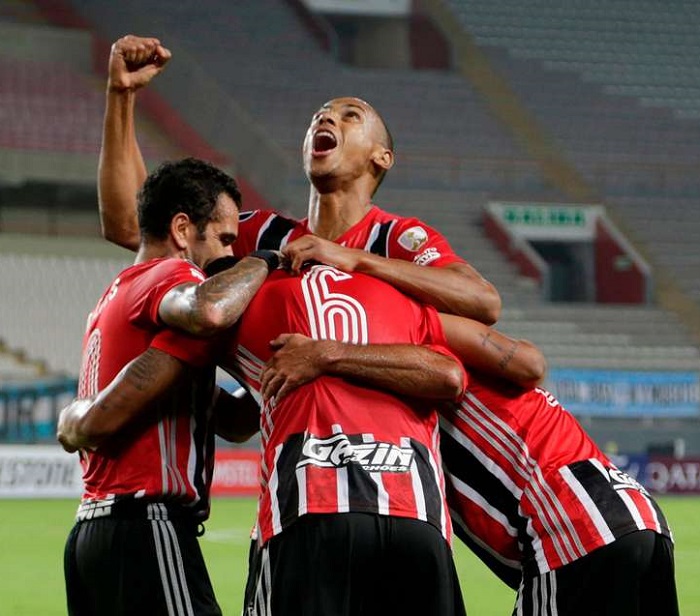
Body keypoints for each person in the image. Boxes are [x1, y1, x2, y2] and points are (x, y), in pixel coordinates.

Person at [96, 35, 502, 325]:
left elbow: (483, 301)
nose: (327, 119)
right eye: (320, 116)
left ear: (382, 157)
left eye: (350, 116)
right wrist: (121, 94)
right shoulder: (263, 235)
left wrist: (355, 260)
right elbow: (133, 226)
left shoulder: (395, 238)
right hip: (287, 422)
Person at [265, 336, 679, 616]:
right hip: (636, 510)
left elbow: (522, 360)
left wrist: (325, 353)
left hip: (574, 521)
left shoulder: (428, 355)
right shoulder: (446, 369)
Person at [59, 157, 282, 616]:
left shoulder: (115, 295)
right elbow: (209, 310)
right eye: (223, 238)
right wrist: (263, 262)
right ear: (182, 229)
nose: (226, 253)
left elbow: (233, 421)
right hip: (146, 526)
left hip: (94, 533)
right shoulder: (172, 274)